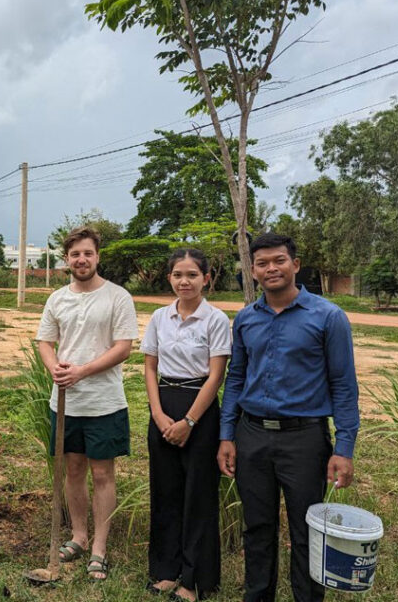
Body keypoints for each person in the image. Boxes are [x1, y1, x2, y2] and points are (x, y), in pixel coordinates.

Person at [217, 233, 359, 602]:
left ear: (295, 265)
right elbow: (236, 377)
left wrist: (344, 448)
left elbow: (343, 385)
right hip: (252, 436)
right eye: (262, 263)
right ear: (252, 271)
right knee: (258, 527)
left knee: (307, 529)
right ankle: (258, 595)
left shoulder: (328, 317)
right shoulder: (246, 318)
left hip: (304, 440)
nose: (271, 268)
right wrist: (227, 435)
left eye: (279, 260)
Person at [35, 226, 139, 581]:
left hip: (104, 402)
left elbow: (123, 346)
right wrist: (55, 368)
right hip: (64, 402)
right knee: (73, 470)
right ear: (67, 259)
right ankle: (78, 536)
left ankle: (99, 548)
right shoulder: (57, 299)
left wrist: (82, 371)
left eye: (88, 253)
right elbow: (46, 342)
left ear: (98, 256)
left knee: (102, 473)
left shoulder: (117, 297)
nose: (82, 259)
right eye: (75, 254)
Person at [142, 250, 231, 600]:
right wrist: (159, 414)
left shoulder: (216, 319)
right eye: (178, 274)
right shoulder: (159, 318)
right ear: (169, 279)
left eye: (192, 274)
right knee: (165, 491)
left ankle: (195, 579)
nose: (185, 281)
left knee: (198, 494)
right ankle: (166, 569)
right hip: (164, 404)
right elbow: (150, 367)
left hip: (200, 409)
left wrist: (189, 421)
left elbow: (216, 376)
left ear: (206, 278)